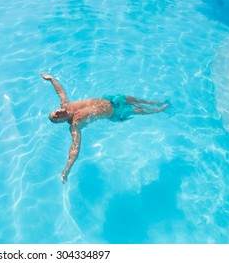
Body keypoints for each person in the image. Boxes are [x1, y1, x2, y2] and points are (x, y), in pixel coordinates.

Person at [41, 72, 169, 184]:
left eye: (55, 112)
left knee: (134, 99)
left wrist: (51, 79)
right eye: (56, 117)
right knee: (139, 110)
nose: (57, 113)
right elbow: (75, 147)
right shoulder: (75, 125)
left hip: (109, 100)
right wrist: (67, 168)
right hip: (115, 113)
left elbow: (60, 92)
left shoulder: (66, 104)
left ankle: (153, 102)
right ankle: (158, 110)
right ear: (61, 121)